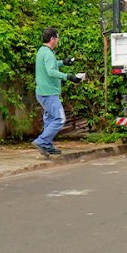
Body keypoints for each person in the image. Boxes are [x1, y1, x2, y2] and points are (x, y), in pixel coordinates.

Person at [33, 27, 84, 157]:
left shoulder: (42, 51)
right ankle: (41, 141)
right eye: (57, 38)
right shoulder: (48, 53)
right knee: (60, 119)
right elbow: (50, 71)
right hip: (49, 93)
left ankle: (47, 146)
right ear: (52, 39)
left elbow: (50, 64)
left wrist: (63, 62)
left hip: (42, 92)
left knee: (50, 119)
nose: (58, 40)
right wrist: (69, 76)